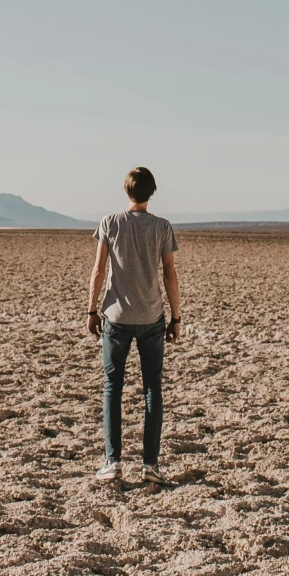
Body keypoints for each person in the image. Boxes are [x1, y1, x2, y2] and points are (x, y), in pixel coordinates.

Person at [87, 165, 181, 482]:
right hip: (152, 316)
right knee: (152, 389)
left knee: (113, 388)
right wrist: (176, 317)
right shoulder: (162, 227)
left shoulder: (110, 223)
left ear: (127, 191)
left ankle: (113, 462)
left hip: (116, 317)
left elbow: (98, 270)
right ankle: (150, 465)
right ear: (151, 192)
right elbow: (170, 274)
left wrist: (91, 310)